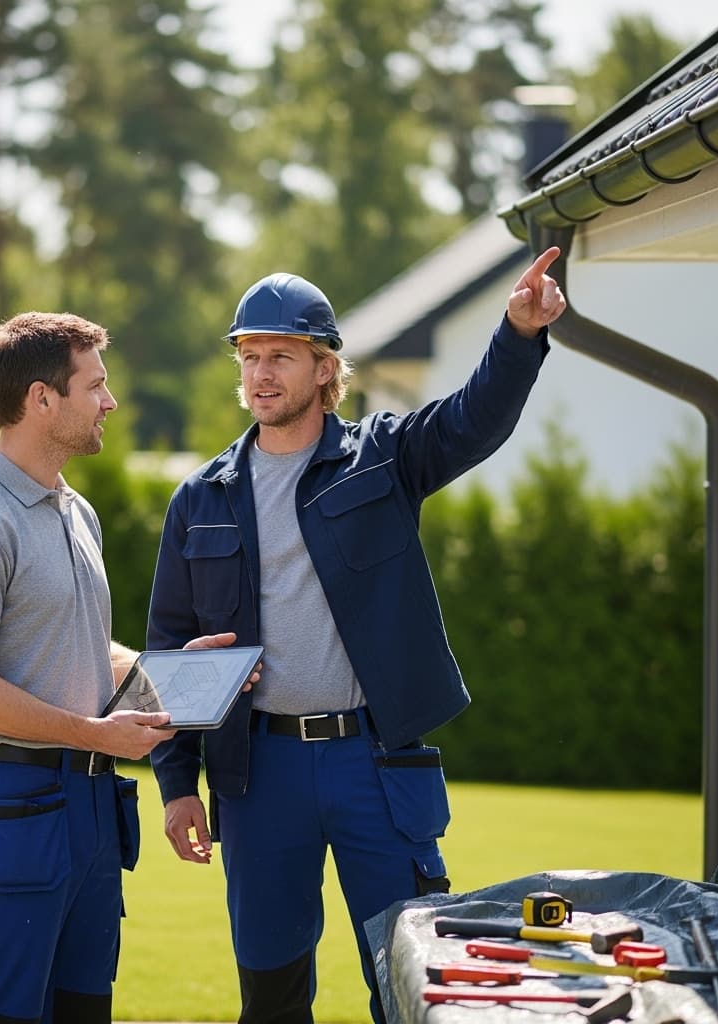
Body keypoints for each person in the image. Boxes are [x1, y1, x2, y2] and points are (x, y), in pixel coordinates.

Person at [146, 249, 567, 1023]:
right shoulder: (199, 499)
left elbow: (474, 419)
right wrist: (176, 784)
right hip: (256, 774)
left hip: (375, 765)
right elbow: (171, 652)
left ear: (322, 366)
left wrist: (517, 334)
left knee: (408, 982)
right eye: (249, 356)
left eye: (281, 356)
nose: (261, 374)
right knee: (270, 995)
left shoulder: (384, 456)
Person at [0, 311, 241, 1024]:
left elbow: (85, 649)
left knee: (83, 1013)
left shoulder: (76, 512)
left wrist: (173, 674)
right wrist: (96, 736)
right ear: (41, 399)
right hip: (10, 809)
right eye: (94, 385)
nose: (110, 401)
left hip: (91, 815)